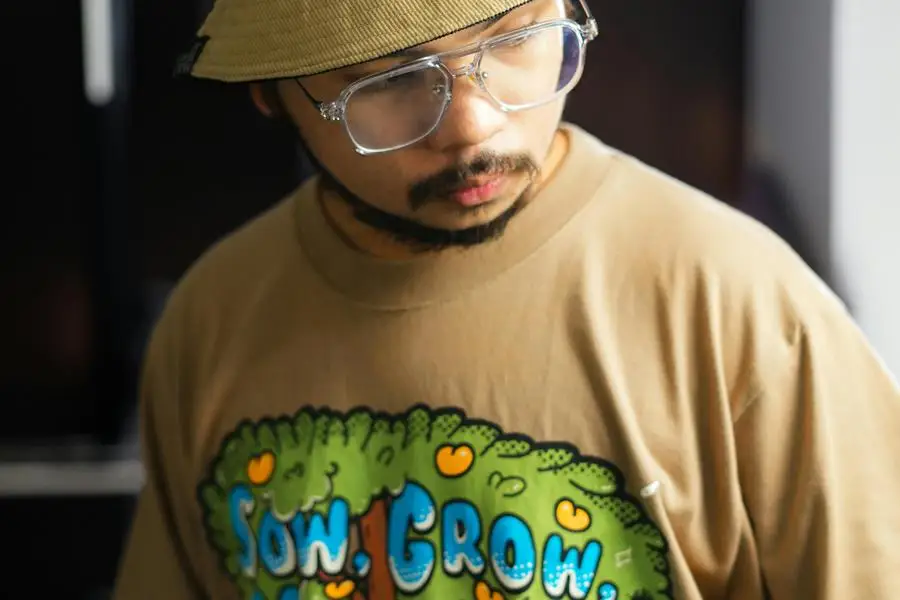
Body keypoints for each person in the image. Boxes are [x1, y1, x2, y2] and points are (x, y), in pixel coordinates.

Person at [112, 0, 900, 597]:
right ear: (274, 95)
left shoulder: (741, 307)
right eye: (393, 79)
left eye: (518, 37)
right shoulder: (213, 322)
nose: (475, 125)